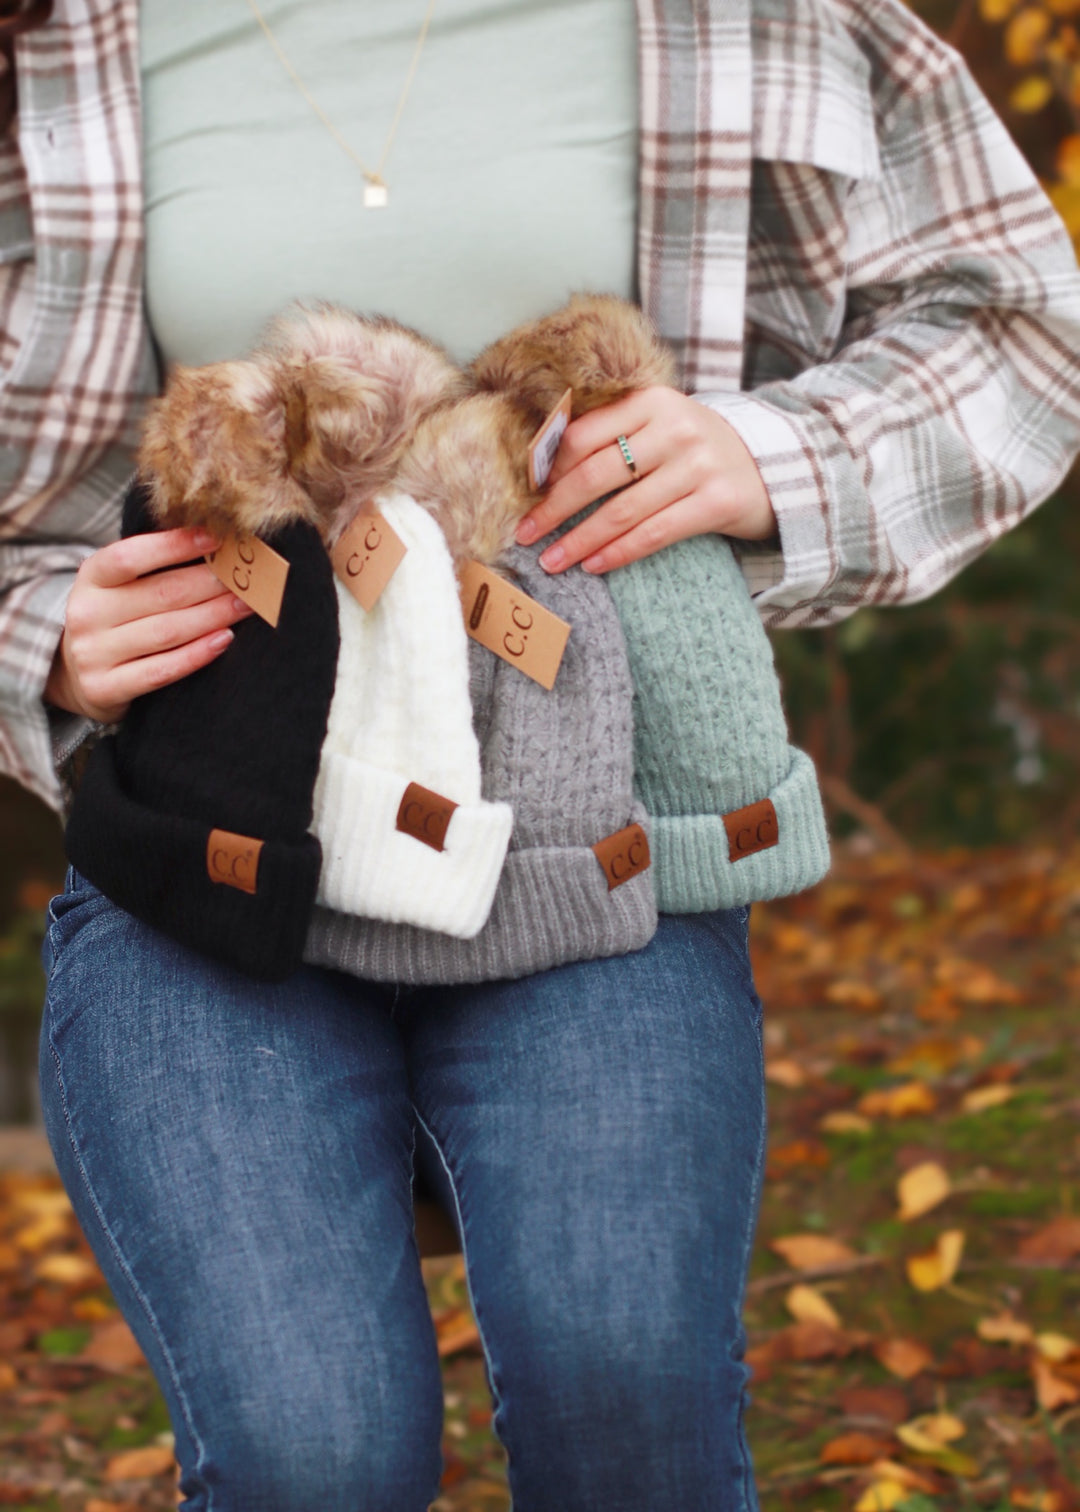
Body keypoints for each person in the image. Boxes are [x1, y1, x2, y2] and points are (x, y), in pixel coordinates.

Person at [4, 1, 1080, 1508]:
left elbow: (1022, 316)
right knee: (311, 1458)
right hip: (207, 858)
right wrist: (39, 628)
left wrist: (773, 458)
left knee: (625, 1404)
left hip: (604, 849)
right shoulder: (56, 37)